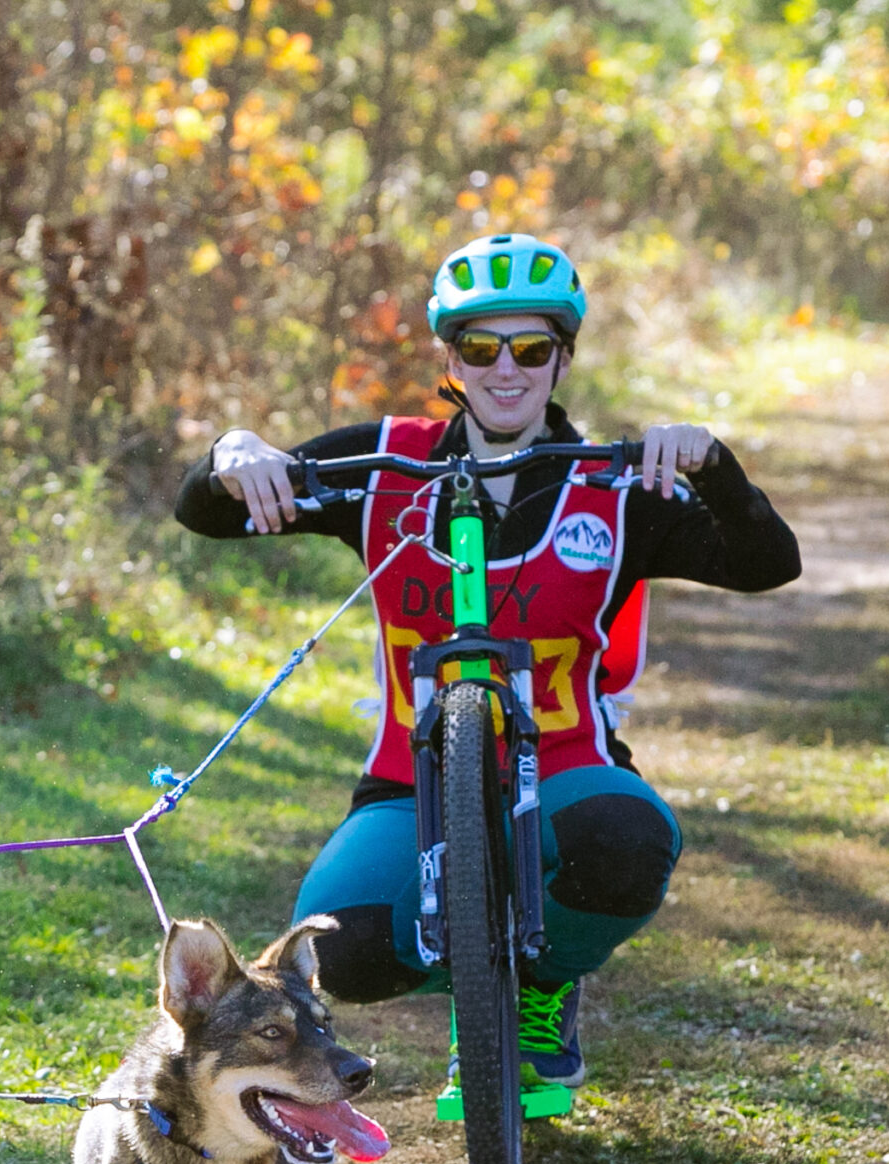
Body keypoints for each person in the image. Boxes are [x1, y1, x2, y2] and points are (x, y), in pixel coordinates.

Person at [174, 232, 800, 1089]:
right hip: (408, 776)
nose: (507, 370)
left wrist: (713, 466)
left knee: (628, 843)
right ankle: (480, 972)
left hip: (569, 762)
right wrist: (232, 453)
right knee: (342, 954)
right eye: (481, 347)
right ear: (451, 359)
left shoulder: (612, 484)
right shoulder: (385, 465)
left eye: (532, 348)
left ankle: (542, 981)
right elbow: (207, 513)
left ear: (563, 359)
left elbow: (769, 564)